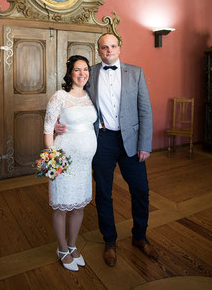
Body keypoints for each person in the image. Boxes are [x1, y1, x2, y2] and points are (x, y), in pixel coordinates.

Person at [55, 34, 158, 267]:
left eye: (112, 46)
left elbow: (146, 111)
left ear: (119, 48)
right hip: (101, 141)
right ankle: (109, 240)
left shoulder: (136, 73)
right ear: (98, 51)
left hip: (131, 141)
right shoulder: (88, 73)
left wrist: (145, 144)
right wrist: (56, 122)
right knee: (103, 192)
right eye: (104, 47)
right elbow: (69, 99)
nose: (109, 50)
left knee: (141, 190)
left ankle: (140, 237)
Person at [44, 55, 97, 271]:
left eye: (85, 69)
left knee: (79, 205)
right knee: (61, 206)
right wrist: (52, 163)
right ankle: (62, 248)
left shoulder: (90, 96)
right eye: (77, 70)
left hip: (85, 164)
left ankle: (74, 245)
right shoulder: (59, 97)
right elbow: (48, 130)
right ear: (70, 73)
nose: (82, 73)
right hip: (63, 160)